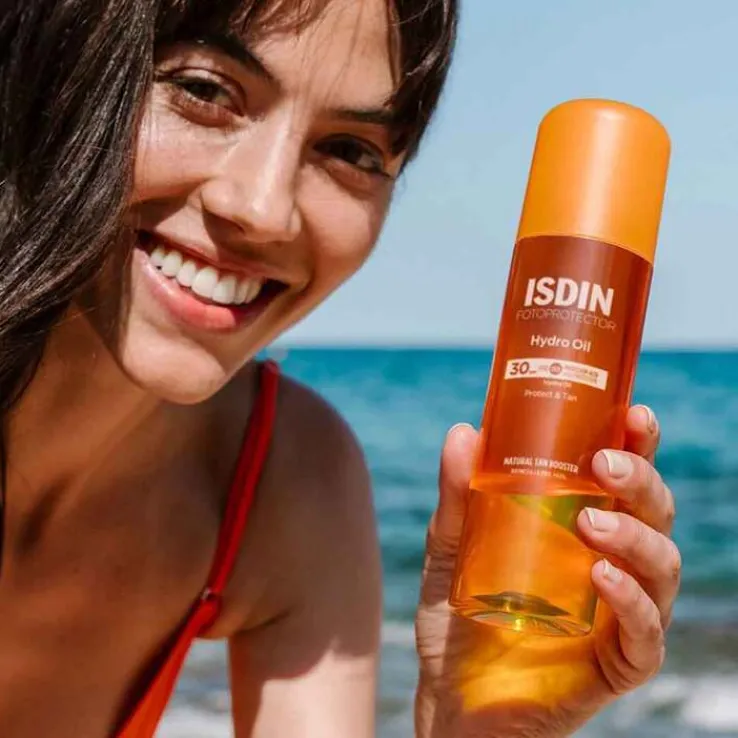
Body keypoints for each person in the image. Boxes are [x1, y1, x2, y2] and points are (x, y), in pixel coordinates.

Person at [0, 0, 681, 736]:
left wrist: (477, 721)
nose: (264, 209)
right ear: (60, 56)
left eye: (351, 151)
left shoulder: (288, 478)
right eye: (203, 91)